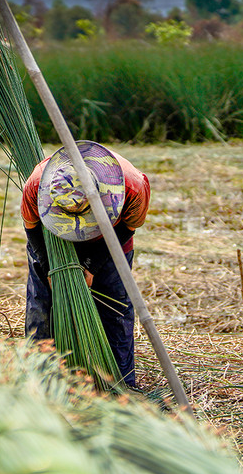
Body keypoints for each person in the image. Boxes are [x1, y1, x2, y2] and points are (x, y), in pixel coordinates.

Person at [22, 141, 150, 388]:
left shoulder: (133, 185)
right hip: (55, 244)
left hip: (109, 243)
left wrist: (91, 266)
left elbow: (129, 227)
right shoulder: (38, 183)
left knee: (114, 310)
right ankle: (40, 381)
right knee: (41, 308)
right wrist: (50, 268)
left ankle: (121, 386)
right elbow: (31, 227)